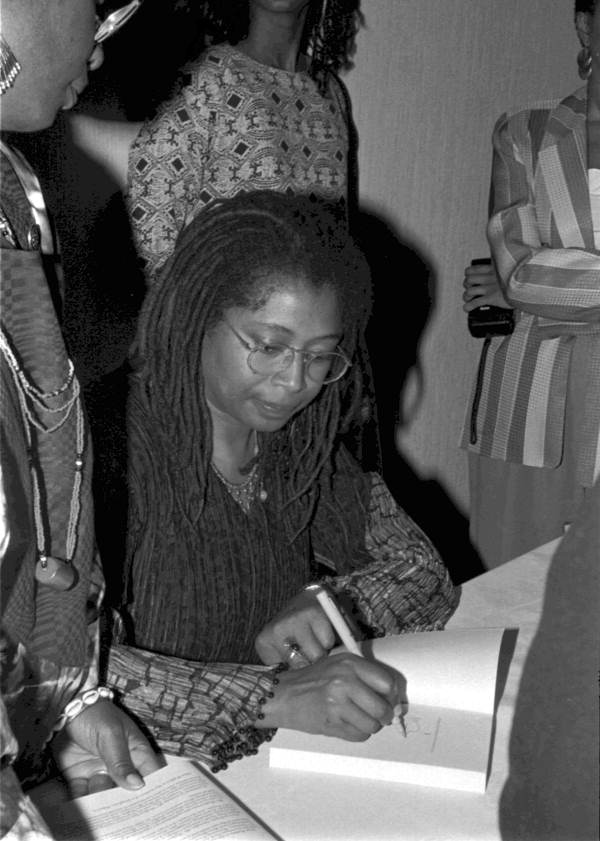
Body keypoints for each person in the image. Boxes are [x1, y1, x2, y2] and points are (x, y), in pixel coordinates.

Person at [104, 190, 459, 770]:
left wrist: (333, 601)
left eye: (320, 356)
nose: (295, 382)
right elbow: (63, 666)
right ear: (195, 315)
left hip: (274, 765)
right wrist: (272, 697)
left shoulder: (301, 440)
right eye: (268, 347)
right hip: (147, 778)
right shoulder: (105, 448)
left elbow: (424, 574)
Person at [0, 2, 161, 836]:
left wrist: (69, 688)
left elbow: (47, 436)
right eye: (95, 8)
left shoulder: (13, 189)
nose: (103, 40)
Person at [460, 0, 600, 568]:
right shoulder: (526, 131)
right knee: (513, 603)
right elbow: (517, 269)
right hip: (531, 404)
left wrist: (541, 286)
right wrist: (521, 281)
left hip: (544, 354)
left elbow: (519, 280)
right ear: (586, 24)